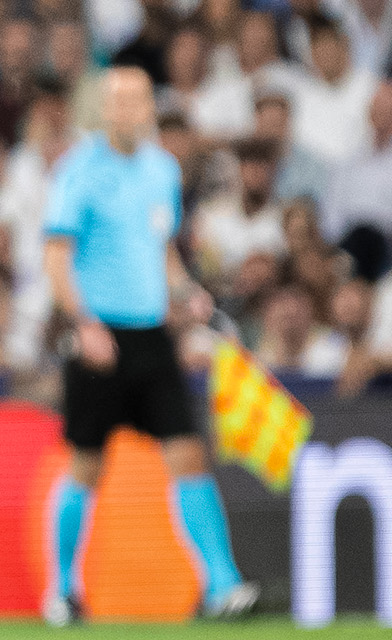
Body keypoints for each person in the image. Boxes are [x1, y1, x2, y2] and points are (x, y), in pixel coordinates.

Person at [40, 66, 258, 624]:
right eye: (120, 100)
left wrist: (189, 292)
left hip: (152, 335)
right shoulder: (78, 170)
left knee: (187, 452)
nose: (130, 110)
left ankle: (222, 585)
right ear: (104, 109)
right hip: (101, 336)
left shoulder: (162, 170)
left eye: (139, 100)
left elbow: (161, 251)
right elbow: (57, 257)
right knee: (85, 466)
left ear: (149, 109)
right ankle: (62, 590)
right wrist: (83, 323)